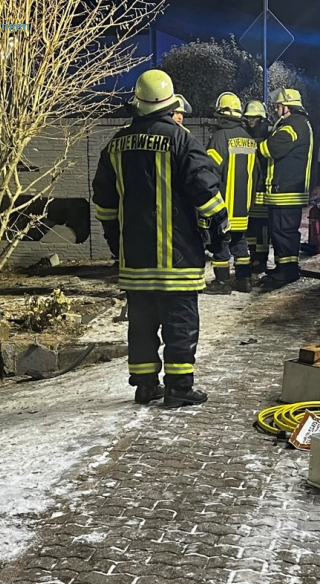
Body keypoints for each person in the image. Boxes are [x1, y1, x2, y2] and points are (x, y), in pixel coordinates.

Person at [93, 69, 229, 409]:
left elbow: (104, 205)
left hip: (135, 261)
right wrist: (217, 236)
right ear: (171, 104)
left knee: (141, 325)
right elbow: (208, 197)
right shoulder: (182, 140)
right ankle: (179, 388)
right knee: (180, 322)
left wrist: (117, 246)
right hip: (177, 258)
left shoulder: (115, 145)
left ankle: (144, 386)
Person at [259, 88, 315, 289]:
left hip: (287, 190)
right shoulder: (296, 123)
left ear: (288, 106)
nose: (275, 108)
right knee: (280, 230)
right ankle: (283, 267)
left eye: (278, 105)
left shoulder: (294, 125)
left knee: (284, 231)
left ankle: (288, 271)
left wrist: (259, 141)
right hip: (285, 189)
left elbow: (270, 148)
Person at [204, 93, 259, 294]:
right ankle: (244, 281)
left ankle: (222, 282)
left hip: (223, 204)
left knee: (220, 243)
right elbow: (257, 174)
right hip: (243, 206)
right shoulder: (248, 139)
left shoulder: (220, 137)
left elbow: (211, 171)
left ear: (221, 114)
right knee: (240, 242)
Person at [243, 100, 272, 274]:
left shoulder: (269, 136)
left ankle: (261, 259)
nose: (251, 121)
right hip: (249, 187)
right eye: (248, 118)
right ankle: (253, 257)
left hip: (262, 187)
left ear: (261, 119)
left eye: (254, 118)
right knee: (251, 226)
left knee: (262, 227)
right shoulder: (245, 134)